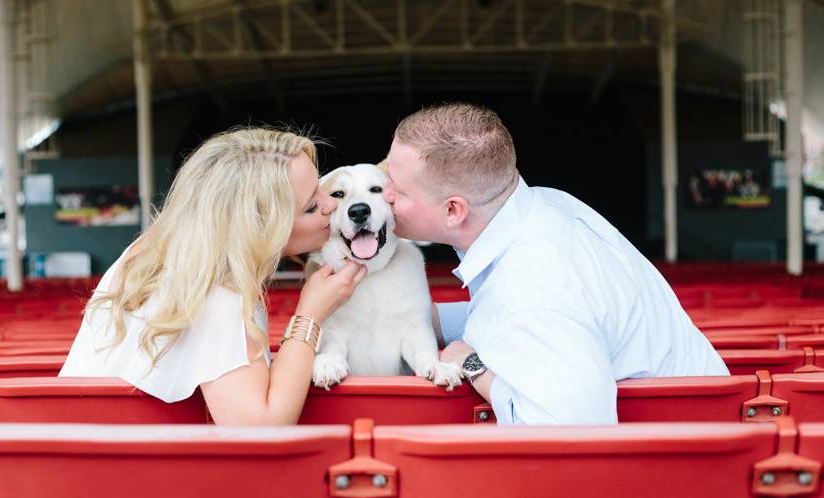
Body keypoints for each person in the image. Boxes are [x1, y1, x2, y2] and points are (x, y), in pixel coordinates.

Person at [381, 103, 728, 425]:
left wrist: (471, 364)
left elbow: (571, 439)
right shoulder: (545, 206)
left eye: (397, 188)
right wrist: (417, 317)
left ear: (453, 210)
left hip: (674, 468)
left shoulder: (534, 286)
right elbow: (504, 314)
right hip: (700, 434)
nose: (383, 194)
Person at [60, 128, 367, 425]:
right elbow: (262, 428)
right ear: (261, 228)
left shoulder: (153, 251)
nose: (332, 204)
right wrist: (310, 315)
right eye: (312, 205)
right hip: (126, 471)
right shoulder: (217, 294)